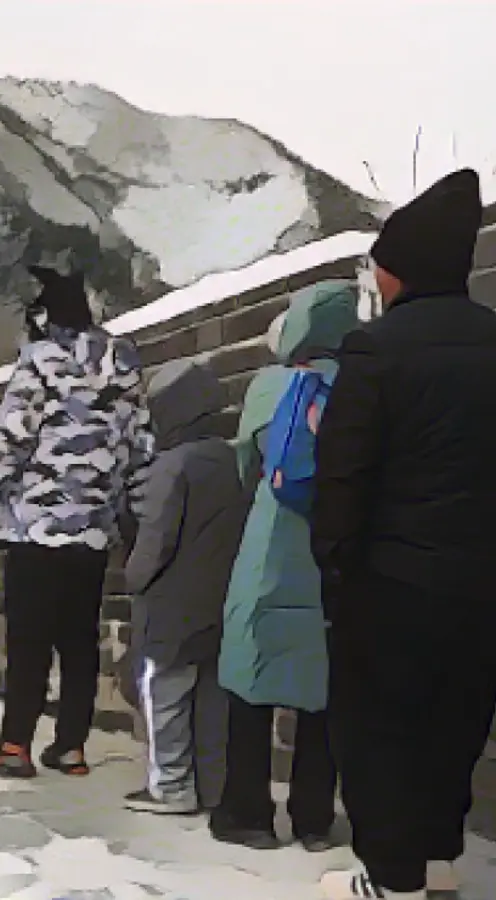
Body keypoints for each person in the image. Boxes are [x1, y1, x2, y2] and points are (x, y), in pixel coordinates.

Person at [312, 169, 496, 900]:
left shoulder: (376, 351)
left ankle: (390, 880)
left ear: (400, 271)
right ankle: (438, 861)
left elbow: (344, 479)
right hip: (482, 585)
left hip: (390, 586)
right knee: (455, 724)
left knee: (380, 732)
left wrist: (336, 571)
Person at [0, 266, 153, 776]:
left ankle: (15, 747)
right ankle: (70, 747)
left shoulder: (41, 362)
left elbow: (12, 435)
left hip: (37, 523)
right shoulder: (125, 364)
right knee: (78, 641)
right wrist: (131, 507)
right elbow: (140, 445)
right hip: (93, 527)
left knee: (28, 641)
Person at [212, 280, 358, 852]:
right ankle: (314, 817)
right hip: (336, 554)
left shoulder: (271, 387)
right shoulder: (361, 385)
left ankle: (246, 812)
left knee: (250, 680)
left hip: (272, 550)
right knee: (325, 688)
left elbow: (248, 466)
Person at [120, 359, 246, 814]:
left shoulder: (172, 466)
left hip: (171, 603)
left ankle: (170, 785)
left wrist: (132, 580)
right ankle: (211, 787)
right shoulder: (231, 458)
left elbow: (156, 538)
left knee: (163, 693)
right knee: (211, 699)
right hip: (219, 598)